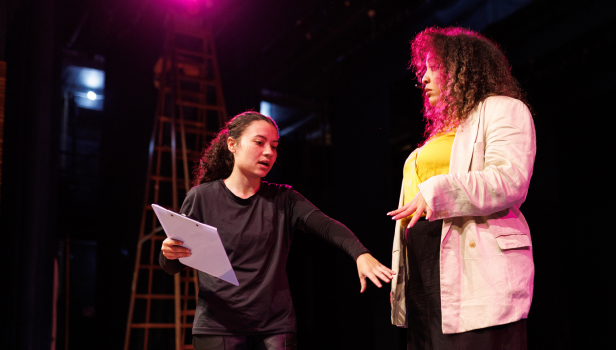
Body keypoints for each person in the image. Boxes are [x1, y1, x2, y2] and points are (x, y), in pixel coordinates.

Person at [160, 111, 395, 350]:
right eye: (259, 143)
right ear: (232, 144)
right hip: (219, 325)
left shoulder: (284, 198)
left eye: (274, 146)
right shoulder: (202, 197)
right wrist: (168, 252)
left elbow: (326, 225)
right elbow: (172, 264)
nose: (269, 153)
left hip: (274, 326)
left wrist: (360, 253)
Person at [388, 27, 536, 349]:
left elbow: (509, 179)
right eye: (422, 70)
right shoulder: (439, 134)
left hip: (475, 265)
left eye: (433, 68)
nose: (423, 78)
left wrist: (435, 190)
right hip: (425, 268)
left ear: (461, 67)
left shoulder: (503, 109)